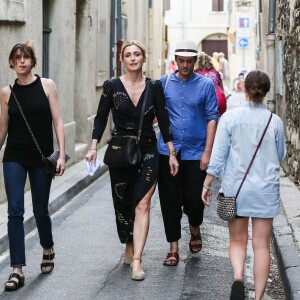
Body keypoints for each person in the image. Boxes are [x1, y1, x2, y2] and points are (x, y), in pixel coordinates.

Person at [85, 40, 179, 281]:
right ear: (122, 60)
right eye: (128, 55)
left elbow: (164, 119)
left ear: (143, 58)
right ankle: (128, 243)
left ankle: (137, 259)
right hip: (120, 151)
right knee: (123, 204)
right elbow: (101, 117)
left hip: (148, 149)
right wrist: (93, 145)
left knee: (143, 203)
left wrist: (170, 152)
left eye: (137, 54)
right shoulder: (111, 86)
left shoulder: (154, 86)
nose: (133, 58)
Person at [202, 70, 286, 300]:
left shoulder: (230, 118)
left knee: (237, 240)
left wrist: (207, 183)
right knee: (261, 245)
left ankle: (239, 277)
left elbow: (218, 156)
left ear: (244, 89)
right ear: (266, 92)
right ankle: (258, 297)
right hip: (265, 190)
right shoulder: (274, 121)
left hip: (235, 188)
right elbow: (281, 154)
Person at [0, 41, 67, 291]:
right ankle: (17, 269)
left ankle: (47, 245)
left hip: (41, 159)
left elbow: (58, 122)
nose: (21, 61)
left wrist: (60, 155)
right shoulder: (6, 93)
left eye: (25, 57)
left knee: (40, 210)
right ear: (11, 62)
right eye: (16, 58)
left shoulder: (47, 86)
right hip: (14, 157)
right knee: (15, 211)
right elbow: (3, 128)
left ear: (32, 61)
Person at [158, 40, 218, 266]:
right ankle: (173, 248)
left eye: (189, 61)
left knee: (194, 200)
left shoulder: (205, 85)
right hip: (168, 152)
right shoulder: (163, 84)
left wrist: (207, 152)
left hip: (196, 152)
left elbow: (212, 118)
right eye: (181, 61)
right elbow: (157, 116)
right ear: (175, 61)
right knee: (169, 201)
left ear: (195, 61)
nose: (185, 65)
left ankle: (195, 228)